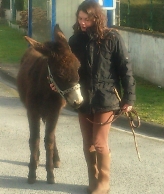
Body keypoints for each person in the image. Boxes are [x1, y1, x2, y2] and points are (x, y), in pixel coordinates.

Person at [51, 1, 136, 193]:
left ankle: (104, 183)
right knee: (88, 143)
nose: (82, 23)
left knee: (99, 142)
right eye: (80, 19)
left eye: (87, 19)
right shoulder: (74, 41)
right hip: (84, 99)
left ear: (96, 18)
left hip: (107, 98)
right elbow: (67, 70)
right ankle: (93, 179)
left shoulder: (112, 38)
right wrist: (57, 85)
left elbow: (125, 68)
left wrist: (129, 97)